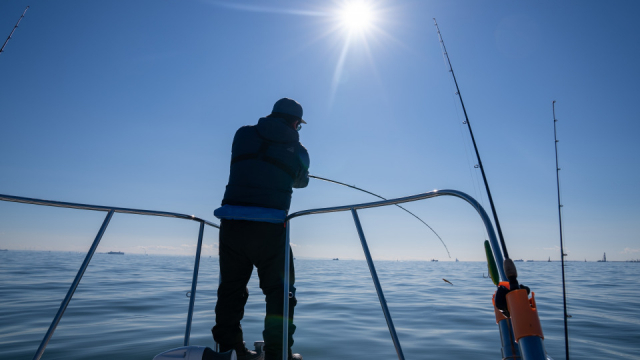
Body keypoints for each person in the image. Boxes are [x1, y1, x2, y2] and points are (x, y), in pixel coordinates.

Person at [212, 98, 310, 360]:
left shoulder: (242, 134)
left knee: (231, 289)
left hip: (232, 226)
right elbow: (301, 183)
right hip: (270, 230)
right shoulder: (299, 149)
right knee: (280, 293)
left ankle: (230, 351)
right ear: (295, 123)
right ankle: (277, 354)